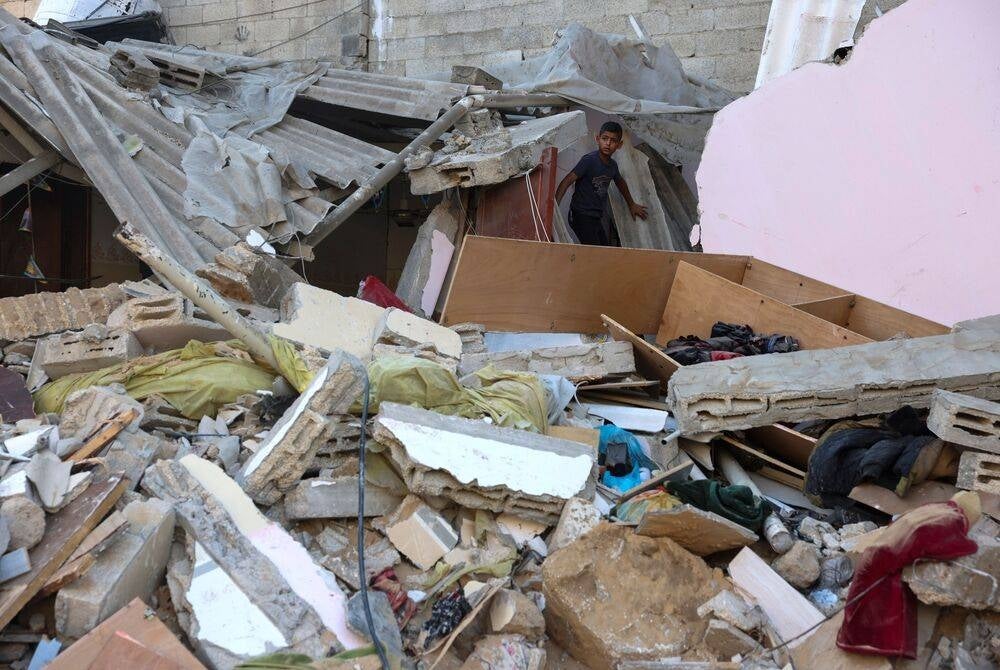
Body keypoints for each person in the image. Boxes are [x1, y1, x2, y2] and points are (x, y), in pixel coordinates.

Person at [554, 121, 648, 245]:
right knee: (595, 253)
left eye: (613, 141)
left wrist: (631, 204)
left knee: (604, 249)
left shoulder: (612, 166)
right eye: (605, 138)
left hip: (595, 217)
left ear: (619, 145)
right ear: (598, 139)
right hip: (580, 214)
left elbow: (620, 183)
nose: (608, 143)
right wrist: (554, 208)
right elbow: (566, 181)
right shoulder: (589, 161)